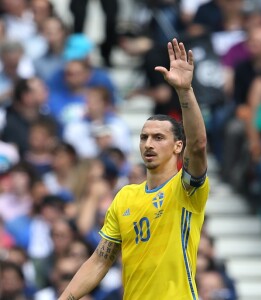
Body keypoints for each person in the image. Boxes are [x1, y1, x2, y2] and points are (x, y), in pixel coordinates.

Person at [58, 38, 209, 300]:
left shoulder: (185, 189)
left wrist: (185, 91)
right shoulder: (125, 197)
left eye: (159, 138)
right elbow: (99, 261)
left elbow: (198, 146)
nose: (149, 144)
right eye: (143, 137)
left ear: (177, 147)